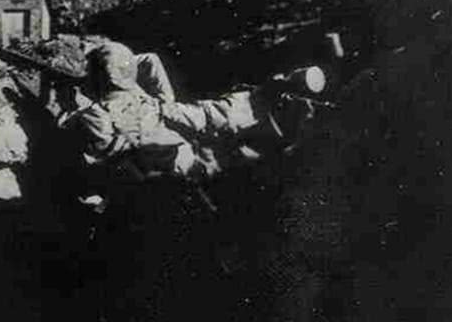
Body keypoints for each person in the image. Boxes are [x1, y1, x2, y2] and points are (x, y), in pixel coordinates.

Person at [54, 41, 320, 219]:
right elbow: (150, 61)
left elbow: (86, 149)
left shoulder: (94, 115)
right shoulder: (147, 101)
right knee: (221, 129)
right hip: (183, 162)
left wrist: (79, 101)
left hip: (152, 178)